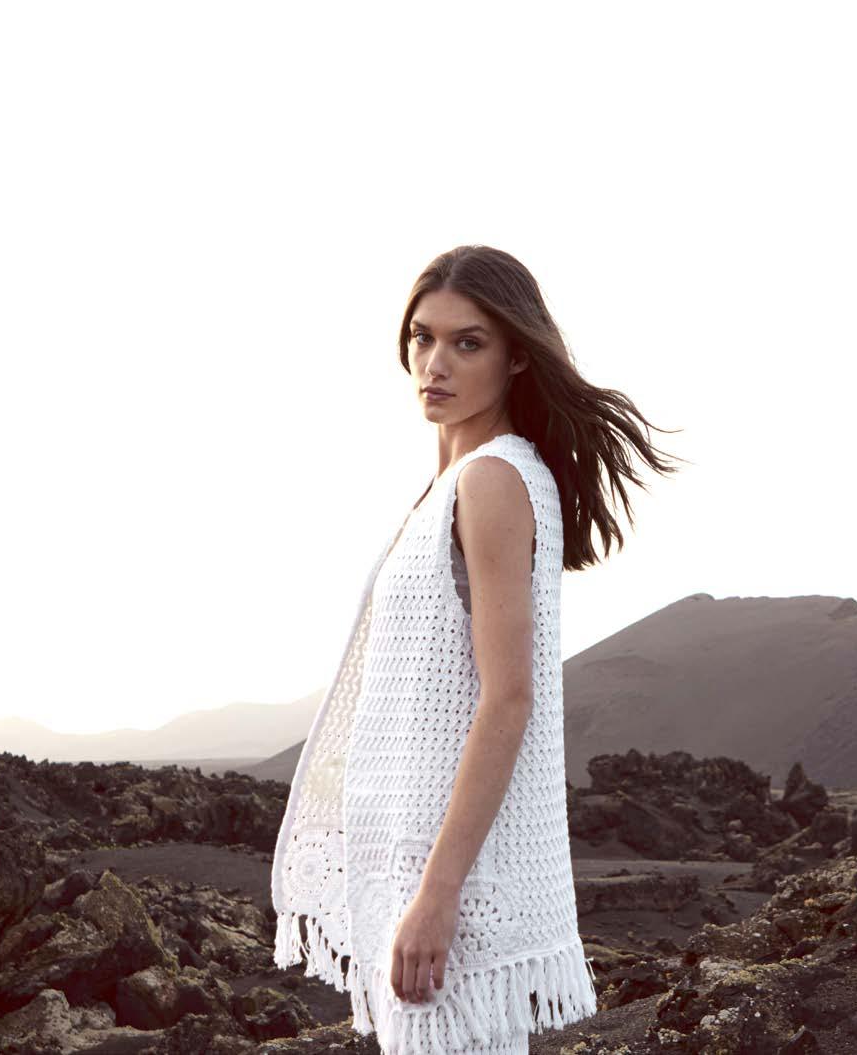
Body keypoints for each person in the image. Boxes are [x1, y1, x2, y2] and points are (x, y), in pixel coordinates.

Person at [270, 245, 683, 1055]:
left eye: (468, 342)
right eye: (422, 337)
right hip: (416, 858)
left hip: (447, 875)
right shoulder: (457, 482)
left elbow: (508, 696)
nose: (435, 363)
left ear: (516, 356)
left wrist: (438, 894)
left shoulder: (490, 479)